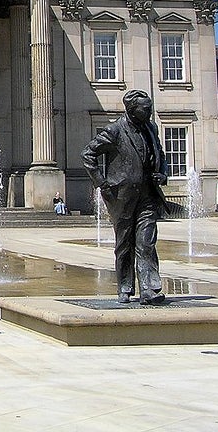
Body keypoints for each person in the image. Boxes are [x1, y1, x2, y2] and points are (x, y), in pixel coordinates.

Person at [82, 89, 171, 305]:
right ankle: (125, 287)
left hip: (148, 195)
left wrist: (163, 174)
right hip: (121, 196)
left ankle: (149, 289)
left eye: (150, 107)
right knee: (124, 245)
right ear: (132, 109)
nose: (150, 111)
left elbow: (160, 154)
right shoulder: (114, 130)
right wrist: (102, 184)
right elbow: (88, 154)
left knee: (146, 243)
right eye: (145, 108)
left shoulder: (151, 128)